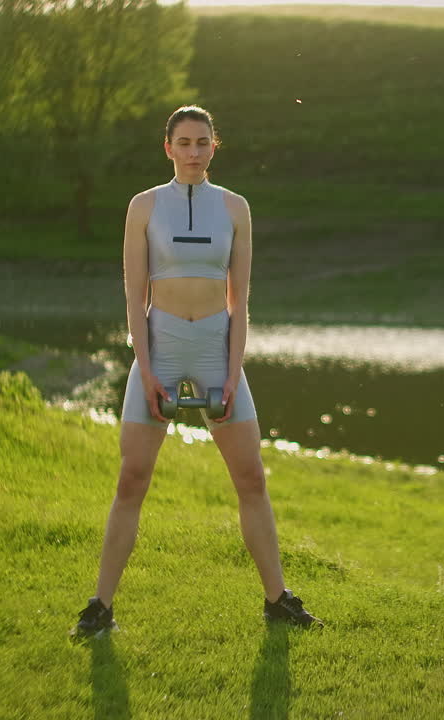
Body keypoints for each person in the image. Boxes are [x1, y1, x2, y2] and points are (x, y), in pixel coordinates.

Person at [71, 106, 321, 638]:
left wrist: (232, 373)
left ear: (214, 147)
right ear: (167, 147)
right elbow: (133, 296)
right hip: (158, 349)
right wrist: (145, 367)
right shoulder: (142, 206)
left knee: (251, 477)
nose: (192, 151)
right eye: (183, 142)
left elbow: (240, 300)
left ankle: (277, 599)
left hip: (215, 347)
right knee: (131, 479)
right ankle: (100, 607)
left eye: (202, 142)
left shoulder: (235, 208)